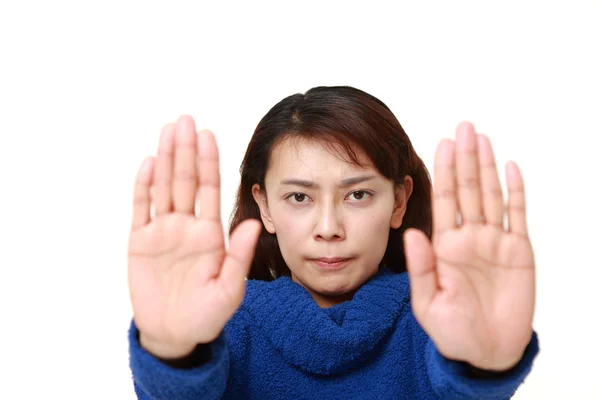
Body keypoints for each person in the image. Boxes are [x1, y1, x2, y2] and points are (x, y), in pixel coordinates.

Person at [127, 86, 539, 399]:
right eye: (299, 197)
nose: (328, 228)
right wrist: (172, 353)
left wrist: (483, 367)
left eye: (357, 195)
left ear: (399, 201)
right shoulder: (219, 323)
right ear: (264, 206)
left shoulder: (443, 321)